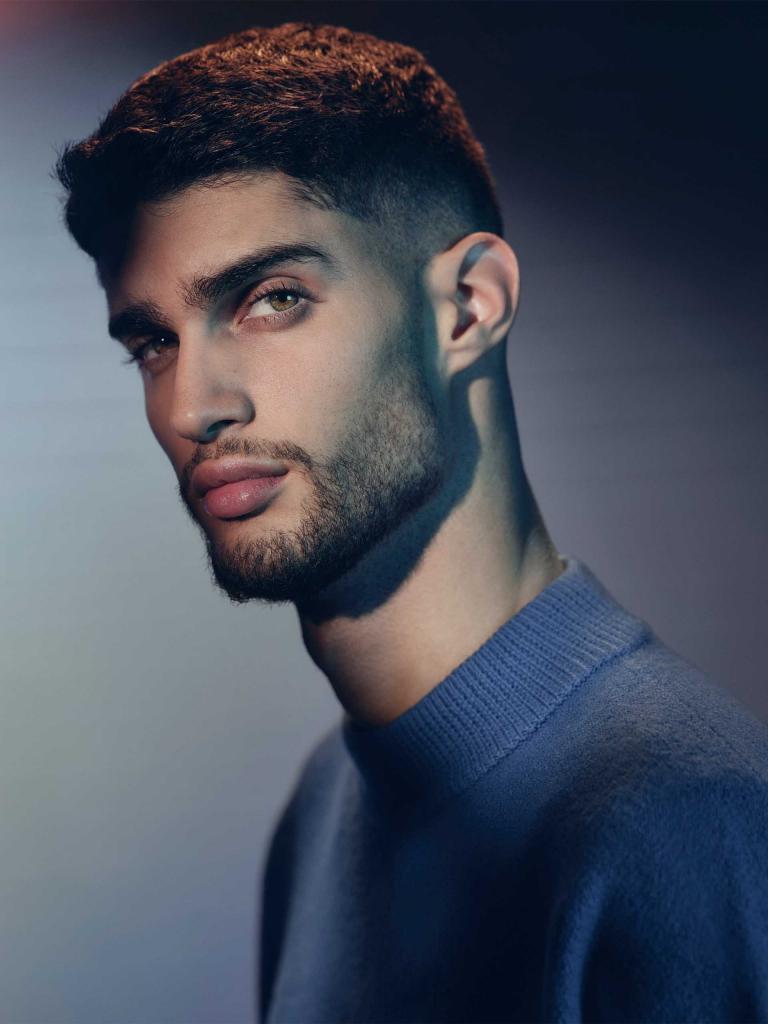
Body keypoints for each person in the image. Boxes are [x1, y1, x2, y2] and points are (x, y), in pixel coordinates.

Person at [54, 21, 768, 1024]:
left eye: (271, 298)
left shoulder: (685, 824)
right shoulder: (328, 803)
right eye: (153, 342)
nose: (187, 407)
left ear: (469, 308)